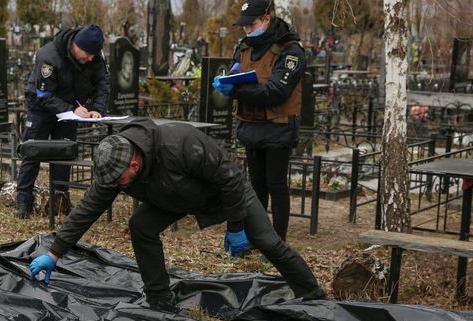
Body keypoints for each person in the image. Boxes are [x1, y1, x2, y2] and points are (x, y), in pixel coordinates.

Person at [28, 118, 324, 311]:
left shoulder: (181, 143)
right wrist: (54, 253)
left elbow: (230, 178)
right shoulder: (116, 169)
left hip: (228, 192)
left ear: (134, 163)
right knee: (141, 226)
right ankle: (159, 298)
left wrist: (235, 225)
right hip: (175, 196)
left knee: (268, 241)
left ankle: (313, 296)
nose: (117, 187)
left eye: (120, 181)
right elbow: (87, 209)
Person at [213, 0, 305, 242]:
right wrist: (226, 81)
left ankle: (278, 240)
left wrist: (234, 91)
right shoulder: (244, 47)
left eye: (251, 24)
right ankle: (258, 237)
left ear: (266, 18)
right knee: (256, 186)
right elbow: (235, 73)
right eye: (244, 26)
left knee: (276, 185)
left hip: (278, 126)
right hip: (251, 125)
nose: (247, 30)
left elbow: (277, 91)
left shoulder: (290, 49)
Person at [14, 24, 110, 219]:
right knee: (33, 150)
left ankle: (60, 201)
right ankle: (23, 200)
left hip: (70, 110)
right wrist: (71, 109)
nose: (90, 58)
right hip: (41, 107)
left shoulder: (94, 57)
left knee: (65, 152)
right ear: (75, 44)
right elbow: (43, 95)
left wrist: (97, 110)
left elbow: (102, 83)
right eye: (87, 53)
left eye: (94, 55)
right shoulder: (48, 56)